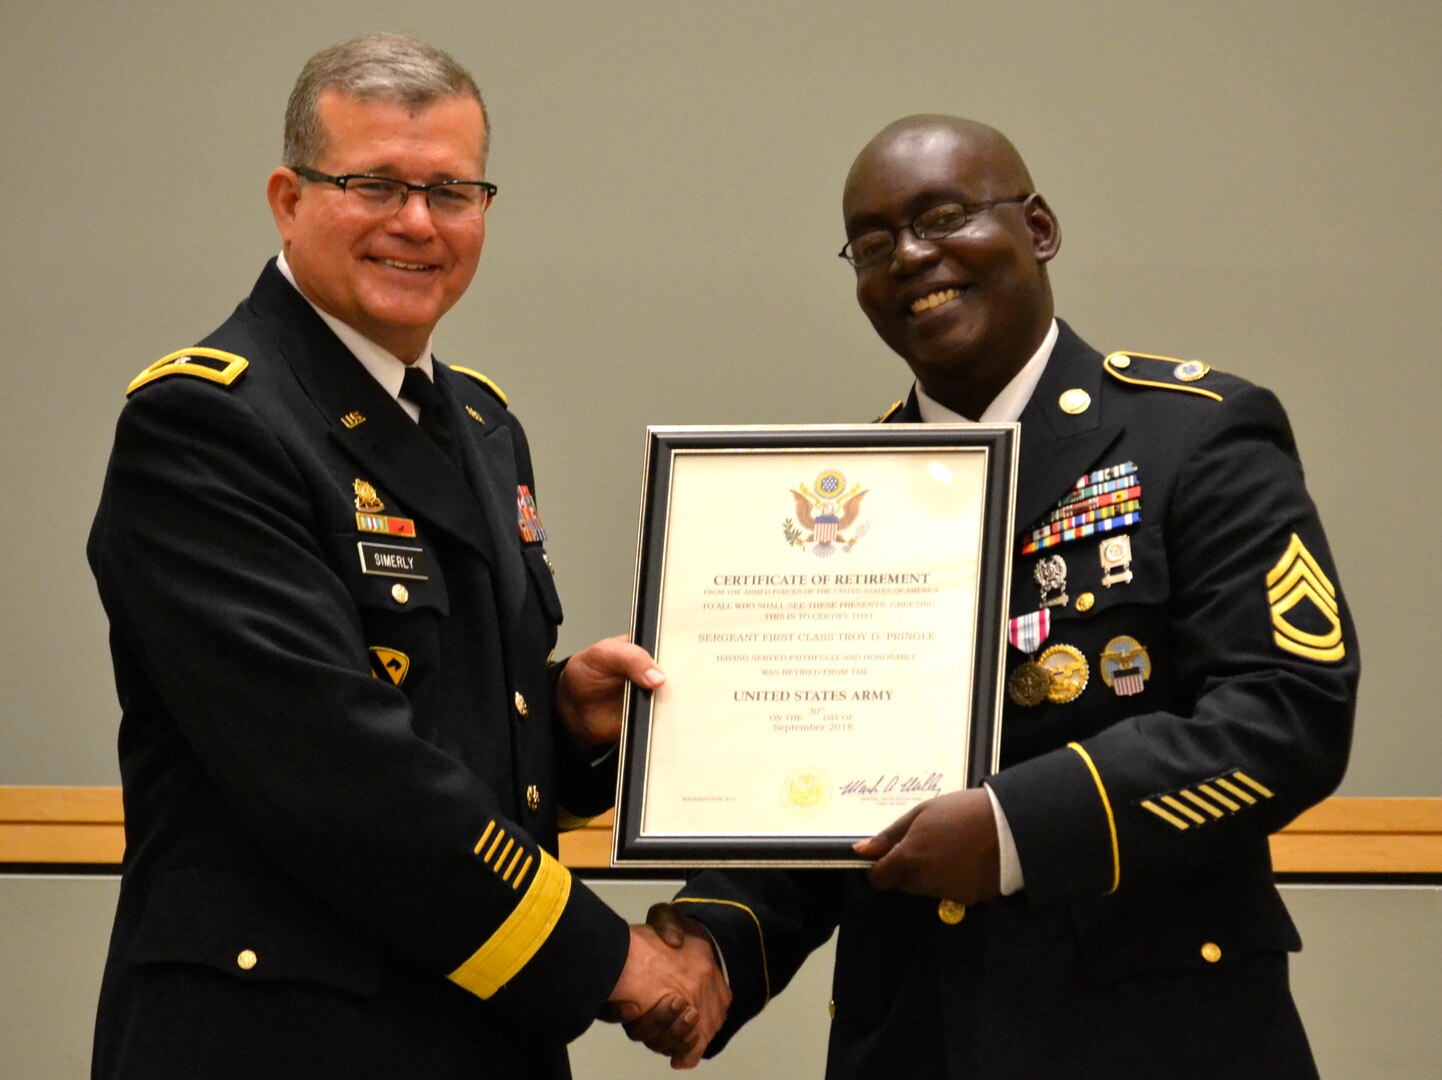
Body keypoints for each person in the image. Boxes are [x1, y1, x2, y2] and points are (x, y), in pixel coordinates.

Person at [636, 115, 1359, 1078]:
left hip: (1161, 1036)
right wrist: (717, 946)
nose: (912, 257)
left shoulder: (1195, 436)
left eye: (942, 217)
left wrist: (1018, 828)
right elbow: (811, 779)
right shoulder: (839, 502)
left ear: (1041, 227)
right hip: (914, 1037)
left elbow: (1284, 716)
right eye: (874, 242)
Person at [87, 34, 724, 1079]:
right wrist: (610, 959)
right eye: (374, 184)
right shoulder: (205, 424)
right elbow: (334, 768)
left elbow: (462, 725)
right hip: (283, 1039)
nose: (417, 224)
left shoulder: (478, 423)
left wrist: (564, 719)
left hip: (477, 1029)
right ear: (287, 198)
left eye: (452, 192)